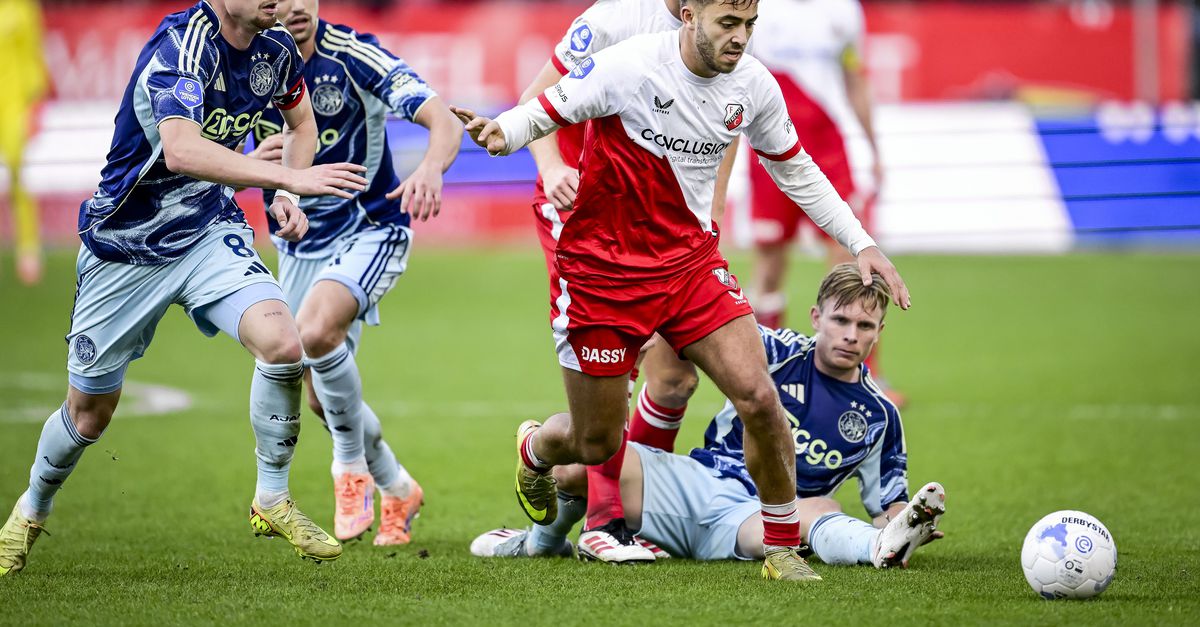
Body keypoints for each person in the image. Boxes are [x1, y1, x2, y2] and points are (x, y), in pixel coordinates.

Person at [452, 0, 910, 581]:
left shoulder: (754, 85)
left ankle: (780, 548)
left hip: (688, 267)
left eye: (749, 26)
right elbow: (547, 106)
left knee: (759, 397)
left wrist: (861, 241)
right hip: (603, 269)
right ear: (689, 16)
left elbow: (797, 169)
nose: (741, 38)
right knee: (595, 441)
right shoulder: (628, 59)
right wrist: (503, 131)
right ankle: (538, 450)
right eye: (728, 24)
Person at [0, 0, 370, 575]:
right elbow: (182, 150)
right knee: (89, 414)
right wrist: (286, 176)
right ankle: (31, 507)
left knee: (283, 343)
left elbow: (302, 124)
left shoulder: (275, 50)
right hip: (125, 245)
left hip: (205, 232)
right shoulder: (182, 45)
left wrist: (288, 196)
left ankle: (272, 496)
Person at [471, 264, 945, 571]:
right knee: (580, 460)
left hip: (759, 521)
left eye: (864, 326)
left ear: (879, 332)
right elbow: (684, 333)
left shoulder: (880, 414)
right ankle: (540, 540)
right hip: (693, 481)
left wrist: (907, 525)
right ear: (816, 316)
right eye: (840, 321)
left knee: (822, 509)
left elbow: (888, 504)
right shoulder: (772, 349)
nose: (850, 335)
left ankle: (875, 551)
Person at [518, 0, 728, 564]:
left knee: (678, 377)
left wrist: (712, 211)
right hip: (586, 212)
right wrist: (554, 167)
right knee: (618, 370)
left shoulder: (724, 20)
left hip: (670, 220)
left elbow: (725, 122)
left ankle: (629, 506)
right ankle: (606, 520)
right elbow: (533, 101)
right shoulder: (612, 20)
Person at [248, 0, 463, 546]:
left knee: (318, 332)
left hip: (369, 229)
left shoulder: (352, 56)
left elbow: (440, 114)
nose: (296, 5)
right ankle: (397, 485)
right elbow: (200, 147)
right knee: (322, 395)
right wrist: (251, 161)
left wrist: (431, 167)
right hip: (297, 245)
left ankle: (350, 471)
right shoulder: (243, 61)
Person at [745, 0, 902, 405]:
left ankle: (863, 375)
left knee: (850, 262)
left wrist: (874, 147)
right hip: (768, 148)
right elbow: (734, 81)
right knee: (769, 265)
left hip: (830, 150)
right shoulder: (759, 8)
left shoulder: (844, 9)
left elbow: (854, 78)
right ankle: (763, 374)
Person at [0, 0, 49, 285]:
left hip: (13, 104)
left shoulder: (22, 7)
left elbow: (34, 55)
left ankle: (28, 248)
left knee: (19, 172)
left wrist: (34, 105)